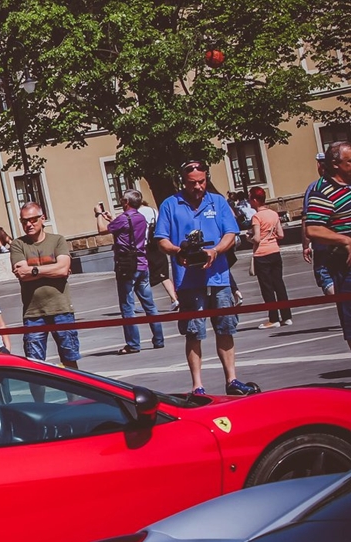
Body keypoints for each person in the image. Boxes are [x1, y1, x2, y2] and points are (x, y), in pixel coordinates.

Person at [154, 160, 254, 395]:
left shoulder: (217, 201)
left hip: (218, 277)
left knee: (226, 327)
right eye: (192, 183)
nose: (198, 187)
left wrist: (216, 250)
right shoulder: (170, 204)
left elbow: (231, 232)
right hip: (188, 281)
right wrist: (179, 251)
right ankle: (197, 385)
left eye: (201, 181)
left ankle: (232, 380)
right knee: (193, 331)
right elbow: (161, 240)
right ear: (183, 182)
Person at [10, 202, 81, 369]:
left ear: (43, 218)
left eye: (33, 220)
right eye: (24, 221)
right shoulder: (18, 244)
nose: (28, 224)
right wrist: (51, 269)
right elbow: (22, 274)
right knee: (35, 365)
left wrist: (33, 270)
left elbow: (63, 270)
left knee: (70, 360)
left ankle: (75, 396)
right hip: (33, 314)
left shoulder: (58, 240)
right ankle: (40, 396)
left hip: (61, 310)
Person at [96, 190, 167, 354]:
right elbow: (124, 228)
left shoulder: (123, 219)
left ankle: (133, 344)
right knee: (150, 305)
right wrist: (111, 219)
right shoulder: (140, 218)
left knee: (127, 307)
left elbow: (101, 230)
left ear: (126, 202)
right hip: (142, 264)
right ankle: (159, 339)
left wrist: (98, 214)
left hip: (126, 266)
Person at [304, 140, 351, 352]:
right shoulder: (323, 191)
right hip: (345, 265)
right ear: (335, 164)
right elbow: (313, 229)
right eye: (349, 162)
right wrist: (345, 240)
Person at [249, 186, 292, 329]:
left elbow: (256, 238)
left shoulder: (256, 217)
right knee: (279, 284)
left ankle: (273, 318)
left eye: (250, 198)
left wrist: (248, 238)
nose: (249, 201)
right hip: (275, 251)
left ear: (255, 200)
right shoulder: (273, 214)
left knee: (267, 287)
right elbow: (281, 234)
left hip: (262, 254)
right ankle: (286, 316)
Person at [303, 153, 337, 297]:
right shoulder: (344, 185)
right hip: (342, 243)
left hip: (322, 244)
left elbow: (306, 219)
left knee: (325, 275)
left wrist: (306, 245)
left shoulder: (314, 188)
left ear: (320, 166)